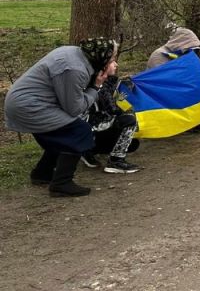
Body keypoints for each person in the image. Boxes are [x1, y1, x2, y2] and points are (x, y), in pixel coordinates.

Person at [4, 38, 118, 196]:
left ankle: (42, 174)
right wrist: (95, 87)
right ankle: (61, 183)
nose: (114, 63)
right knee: (79, 131)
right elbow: (75, 109)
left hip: (23, 102)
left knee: (59, 134)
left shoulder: (75, 53)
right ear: (101, 58)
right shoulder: (74, 69)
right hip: (30, 106)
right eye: (112, 59)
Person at [81, 75, 142, 174]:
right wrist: (125, 96)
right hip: (91, 129)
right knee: (129, 120)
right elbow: (113, 109)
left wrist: (120, 82)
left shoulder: (93, 80)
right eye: (112, 62)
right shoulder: (100, 85)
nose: (115, 65)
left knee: (133, 144)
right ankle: (115, 161)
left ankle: (88, 151)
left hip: (87, 130)